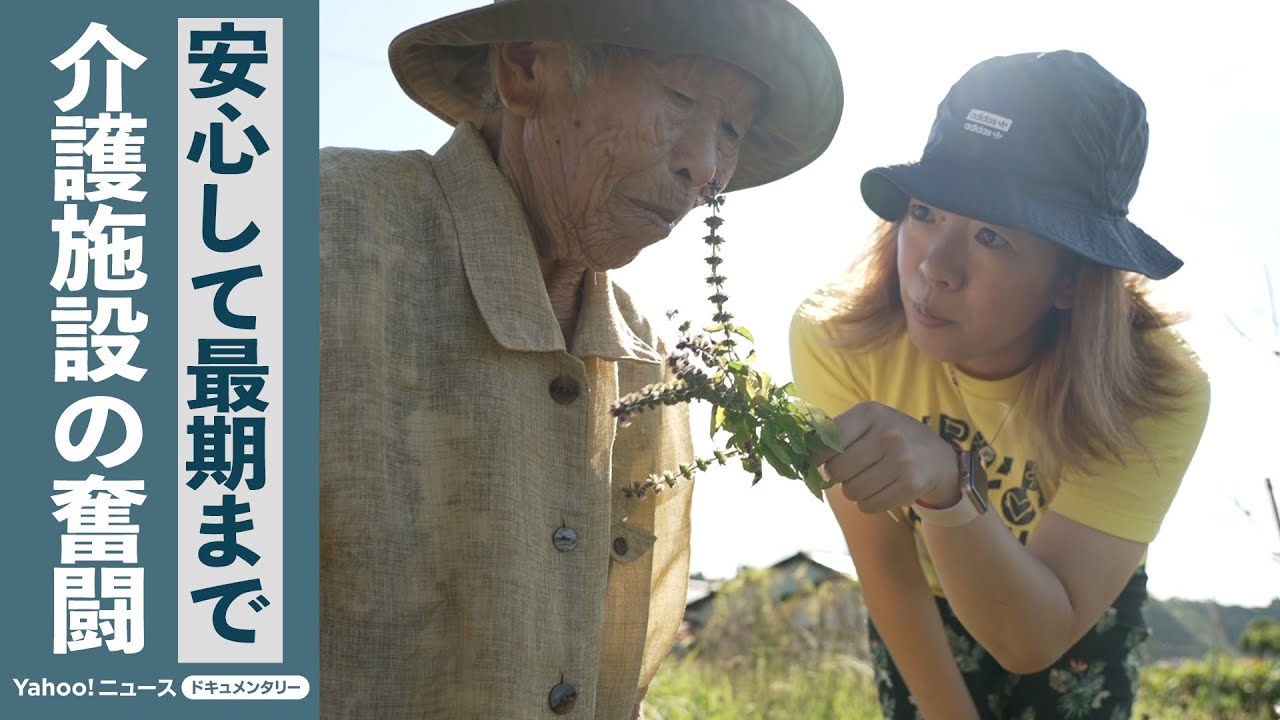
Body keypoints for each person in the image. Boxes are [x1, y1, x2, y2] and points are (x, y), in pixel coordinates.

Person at [319, 0, 842, 717]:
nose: (706, 166)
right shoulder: (312, 234)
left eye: (732, 130)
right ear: (528, 68)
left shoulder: (644, 359)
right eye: (681, 96)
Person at [790, 51, 1210, 719]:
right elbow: (888, 568)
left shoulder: (1153, 387)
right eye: (925, 213)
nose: (935, 268)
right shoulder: (841, 339)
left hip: (1072, 605)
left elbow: (1034, 635)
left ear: (1072, 277)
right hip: (921, 602)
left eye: (991, 235)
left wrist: (947, 485)